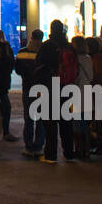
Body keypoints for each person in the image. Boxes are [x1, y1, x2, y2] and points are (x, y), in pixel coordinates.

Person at [40, 20, 71, 164]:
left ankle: (51, 154)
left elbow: (39, 66)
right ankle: (69, 152)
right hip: (67, 87)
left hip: (50, 87)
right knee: (66, 122)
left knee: (51, 123)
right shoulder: (68, 46)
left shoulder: (46, 46)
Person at [15, 29, 46, 158]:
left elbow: (18, 70)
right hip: (42, 89)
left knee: (28, 119)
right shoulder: (44, 53)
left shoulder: (22, 52)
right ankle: (38, 146)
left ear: (31, 37)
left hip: (27, 87)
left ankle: (28, 146)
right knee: (41, 120)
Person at [0, 30, 17, 142]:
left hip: (3, 83)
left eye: (0, 37)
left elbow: (11, 63)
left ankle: (5, 131)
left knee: (6, 108)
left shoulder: (6, 48)